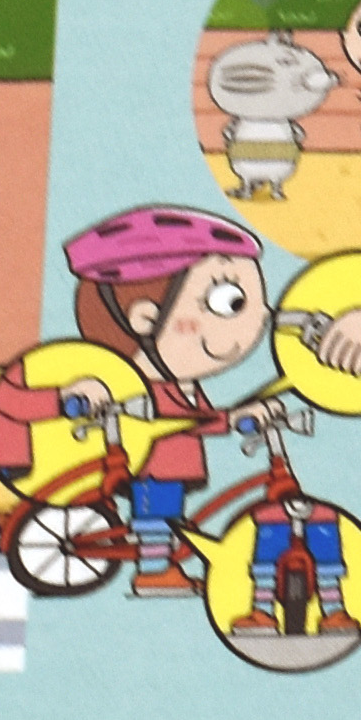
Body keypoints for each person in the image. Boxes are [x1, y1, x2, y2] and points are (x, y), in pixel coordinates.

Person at [60, 205, 283, 592]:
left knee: (168, 513)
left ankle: (160, 565)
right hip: (153, 466)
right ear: (146, 319)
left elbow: (203, 419)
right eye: (230, 302)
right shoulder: (141, 388)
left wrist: (239, 416)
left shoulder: (185, 386)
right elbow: (94, 394)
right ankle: (153, 571)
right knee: (157, 517)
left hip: (175, 466)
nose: (261, 317)